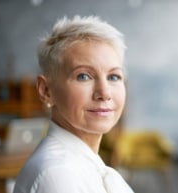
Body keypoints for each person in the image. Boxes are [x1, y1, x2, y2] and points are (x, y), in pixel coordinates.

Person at [13, 15, 134, 193]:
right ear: (46, 91)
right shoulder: (59, 175)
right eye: (83, 76)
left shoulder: (79, 163)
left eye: (113, 76)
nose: (105, 93)